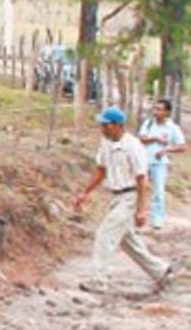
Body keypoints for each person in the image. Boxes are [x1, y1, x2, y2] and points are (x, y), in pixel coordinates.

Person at [73, 107, 172, 294]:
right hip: (116, 196)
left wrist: (141, 210)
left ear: (118, 125)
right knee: (127, 241)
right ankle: (159, 270)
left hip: (130, 196)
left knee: (105, 235)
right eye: (102, 125)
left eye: (106, 125)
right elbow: (101, 170)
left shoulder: (133, 146)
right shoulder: (106, 143)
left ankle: (98, 280)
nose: (102, 128)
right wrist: (85, 192)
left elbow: (142, 179)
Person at [137, 99, 187, 230]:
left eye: (159, 109)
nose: (156, 112)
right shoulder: (148, 123)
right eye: (155, 109)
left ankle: (157, 219)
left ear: (167, 112)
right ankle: (137, 215)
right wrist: (155, 138)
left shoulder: (173, 128)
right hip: (143, 161)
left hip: (159, 163)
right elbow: (141, 139)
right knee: (139, 189)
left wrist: (166, 150)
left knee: (158, 191)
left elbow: (182, 147)